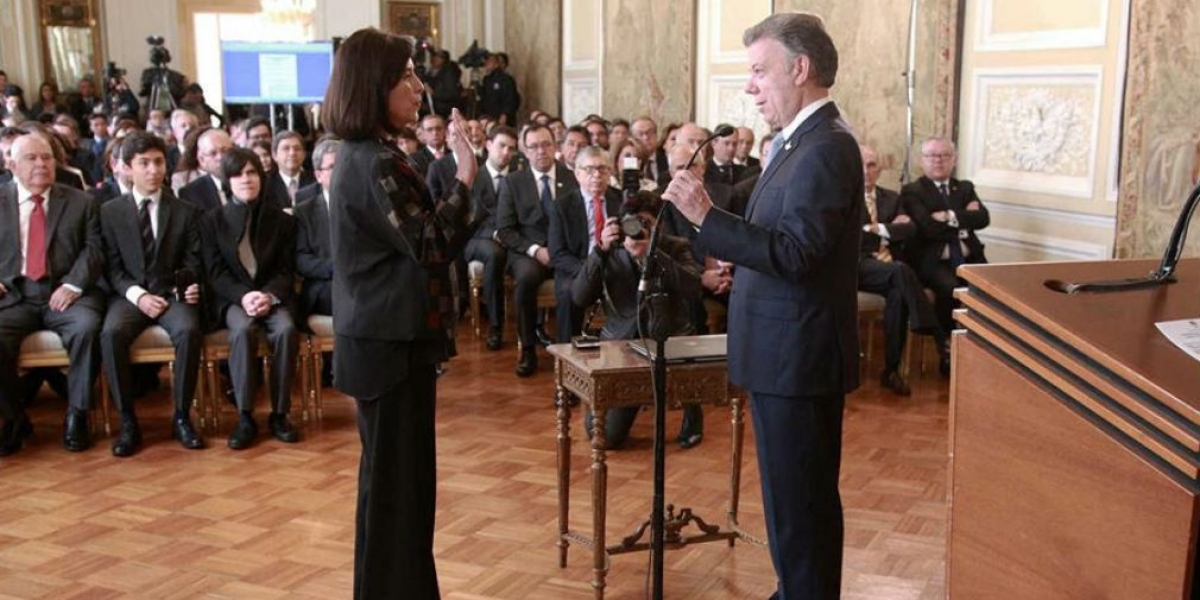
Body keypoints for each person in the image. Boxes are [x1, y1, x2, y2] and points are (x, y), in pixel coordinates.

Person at [662, 13, 862, 600]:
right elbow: (783, 241)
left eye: (758, 71)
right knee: (793, 501)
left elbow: (798, 255)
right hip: (782, 352)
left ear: (799, 69)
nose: (750, 87)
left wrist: (706, 219)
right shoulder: (800, 142)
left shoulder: (825, 147)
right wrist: (734, 256)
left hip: (796, 357)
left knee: (800, 504)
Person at [321, 28, 477, 599]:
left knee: (399, 495)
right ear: (374, 86)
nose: (418, 86)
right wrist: (465, 173)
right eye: (406, 76)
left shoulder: (374, 155)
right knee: (396, 498)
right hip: (388, 347)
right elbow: (433, 243)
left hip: (388, 343)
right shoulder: (372, 161)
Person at [98, 132, 205, 456]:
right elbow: (111, 268)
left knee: (188, 330)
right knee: (111, 334)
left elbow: (193, 259)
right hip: (129, 296)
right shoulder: (110, 211)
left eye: (158, 162)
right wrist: (137, 295)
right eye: (144, 163)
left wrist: (180, 287)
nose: (153, 170)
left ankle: (182, 415)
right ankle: (128, 420)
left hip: (170, 295)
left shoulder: (185, 210)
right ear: (128, 168)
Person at [570, 191, 705, 449]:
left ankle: (692, 410)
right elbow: (578, 297)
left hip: (667, 339)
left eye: (646, 224)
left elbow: (693, 289)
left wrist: (651, 255)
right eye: (634, 222)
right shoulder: (611, 250)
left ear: (659, 225)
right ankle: (639, 396)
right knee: (604, 436)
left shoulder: (675, 246)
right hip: (622, 345)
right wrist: (600, 251)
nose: (638, 230)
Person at [0, 132, 106, 455]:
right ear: (11, 164)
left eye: (46, 157)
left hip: (67, 292)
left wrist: (73, 285)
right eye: (31, 158)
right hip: (14, 294)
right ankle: (14, 418)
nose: (41, 164)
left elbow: (94, 250)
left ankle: (77, 414)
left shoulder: (80, 201)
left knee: (86, 328)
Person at [200, 147, 301, 450]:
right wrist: (245, 297)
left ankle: (280, 414)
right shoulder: (212, 221)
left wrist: (268, 296)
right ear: (227, 180)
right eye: (238, 174)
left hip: (272, 297)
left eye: (252, 172)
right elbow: (214, 273)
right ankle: (245, 416)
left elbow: (287, 269)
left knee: (285, 330)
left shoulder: (281, 220)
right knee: (242, 331)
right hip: (233, 299)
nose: (246, 179)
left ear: (261, 176)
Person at [857, 145, 942, 396]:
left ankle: (890, 371)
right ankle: (930, 326)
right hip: (857, 268)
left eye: (872, 165)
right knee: (900, 271)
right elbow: (850, 238)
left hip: (886, 269)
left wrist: (874, 229)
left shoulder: (892, 198)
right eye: (861, 165)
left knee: (898, 293)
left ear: (880, 169)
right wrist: (886, 231)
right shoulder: (844, 197)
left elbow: (910, 229)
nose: (866, 171)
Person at [900, 137, 989, 376]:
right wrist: (962, 218)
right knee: (949, 287)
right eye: (932, 156)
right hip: (934, 261)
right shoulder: (912, 191)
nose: (938, 160)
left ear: (954, 159)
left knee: (989, 289)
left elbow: (983, 219)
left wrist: (948, 215)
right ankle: (947, 347)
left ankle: (981, 347)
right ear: (922, 160)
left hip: (971, 259)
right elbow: (927, 228)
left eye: (944, 155)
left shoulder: (965, 187)